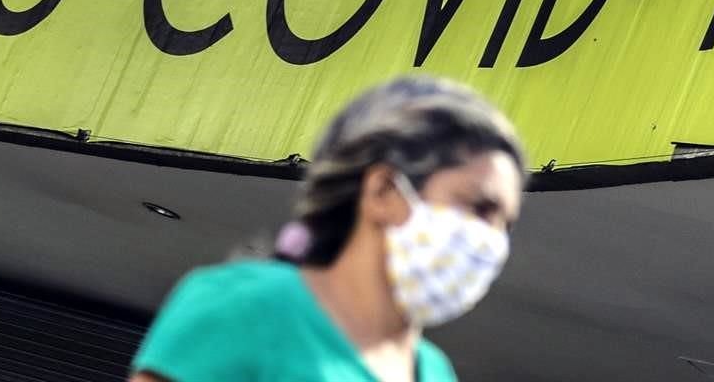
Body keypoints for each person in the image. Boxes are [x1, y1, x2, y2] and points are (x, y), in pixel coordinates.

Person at [129, 75, 526, 382]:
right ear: (383, 190)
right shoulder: (246, 307)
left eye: (505, 224)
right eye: (480, 207)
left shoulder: (435, 371)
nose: (492, 241)